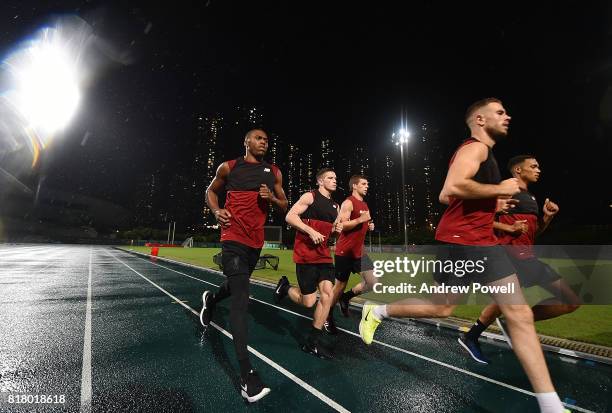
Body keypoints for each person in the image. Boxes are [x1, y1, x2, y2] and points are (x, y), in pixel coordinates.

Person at [358, 98, 570, 413]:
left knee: (519, 315)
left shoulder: (482, 155)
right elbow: (453, 186)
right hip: (459, 241)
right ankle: (378, 311)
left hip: (484, 243)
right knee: (442, 308)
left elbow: (446, 195)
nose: (507, 116)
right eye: (500, 112)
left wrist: (491, 202)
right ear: (480, 120)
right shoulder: (476, 149)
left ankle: (551, 406)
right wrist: (498, 191)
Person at [459, 155, 580, 363]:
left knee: (571, 302)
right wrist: (508, 228)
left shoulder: (531, 198)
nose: (538, 169)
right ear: (517, 171)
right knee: (502, 302)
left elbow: (532, 234)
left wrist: (547, 218)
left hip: (529, 260)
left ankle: (497, 328)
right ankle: (473, 336)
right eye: (533, 166)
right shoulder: (506, 191)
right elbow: (473, 220)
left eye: (538, 166)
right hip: (507, 258)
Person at [199, 128, 288, 403]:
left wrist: (271, 199)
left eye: (267, 139)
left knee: (237, 285)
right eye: (259, 138)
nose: (264, 142)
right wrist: (216, 211)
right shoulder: (229, 167)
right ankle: (247, 374)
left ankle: (212, 300)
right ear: (247, 141)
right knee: (242, 296)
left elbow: (285, 206)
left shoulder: (273, 172)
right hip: (232, 237)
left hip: (255, 242)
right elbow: (210, 192)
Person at [273, 168, 342, 359]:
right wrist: (310, 230)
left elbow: (331, 238)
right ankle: (285, 287)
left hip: (324, 256)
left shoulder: (336, 207)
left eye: (335, 178)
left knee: (327, 295)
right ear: (320, 181)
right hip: (306, 256)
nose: (334, 180)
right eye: (330, 177)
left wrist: (337, 231)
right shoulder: (310, 197)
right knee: (309, 301)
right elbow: (290, 216)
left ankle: (312, 343)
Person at [325, 174, 376, 334]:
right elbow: (340, 226)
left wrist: (369, 225)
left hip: (359, 252)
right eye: (363, 183)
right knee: (339, 286)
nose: (367, 186)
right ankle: (327, 316)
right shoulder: (348, 202)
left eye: (367, 183)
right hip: (344, 252)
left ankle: (346, 298)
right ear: (354, 186)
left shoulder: (365, 204)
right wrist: (361, 220)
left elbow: (362, 224)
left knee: (373, 282)